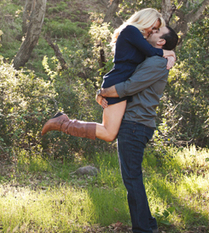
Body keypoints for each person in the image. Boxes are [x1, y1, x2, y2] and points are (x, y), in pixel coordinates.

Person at [97, 25, 179, 233]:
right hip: (135, 122)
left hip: (135, 124)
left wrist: (102, 92)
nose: (150, 33)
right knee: (133, 176)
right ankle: (148, 224)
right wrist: (169, 54)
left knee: (132, 178)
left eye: (156, 33)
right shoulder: (154, 57)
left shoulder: (155, 62)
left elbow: (128, 87)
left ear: (161, 42)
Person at [41, 9, 176, 141]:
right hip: (117, 83)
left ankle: (62, 122)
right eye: (154, 28)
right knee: (108, 133)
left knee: (111, 132)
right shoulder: (130, 30)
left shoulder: (138, 37)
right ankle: (62, 123)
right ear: (145, 20)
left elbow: (152, 50)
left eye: (156, 30)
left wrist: (169, 54)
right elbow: (150, 51)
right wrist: (169, 54)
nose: (153, 32)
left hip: (121, 84)